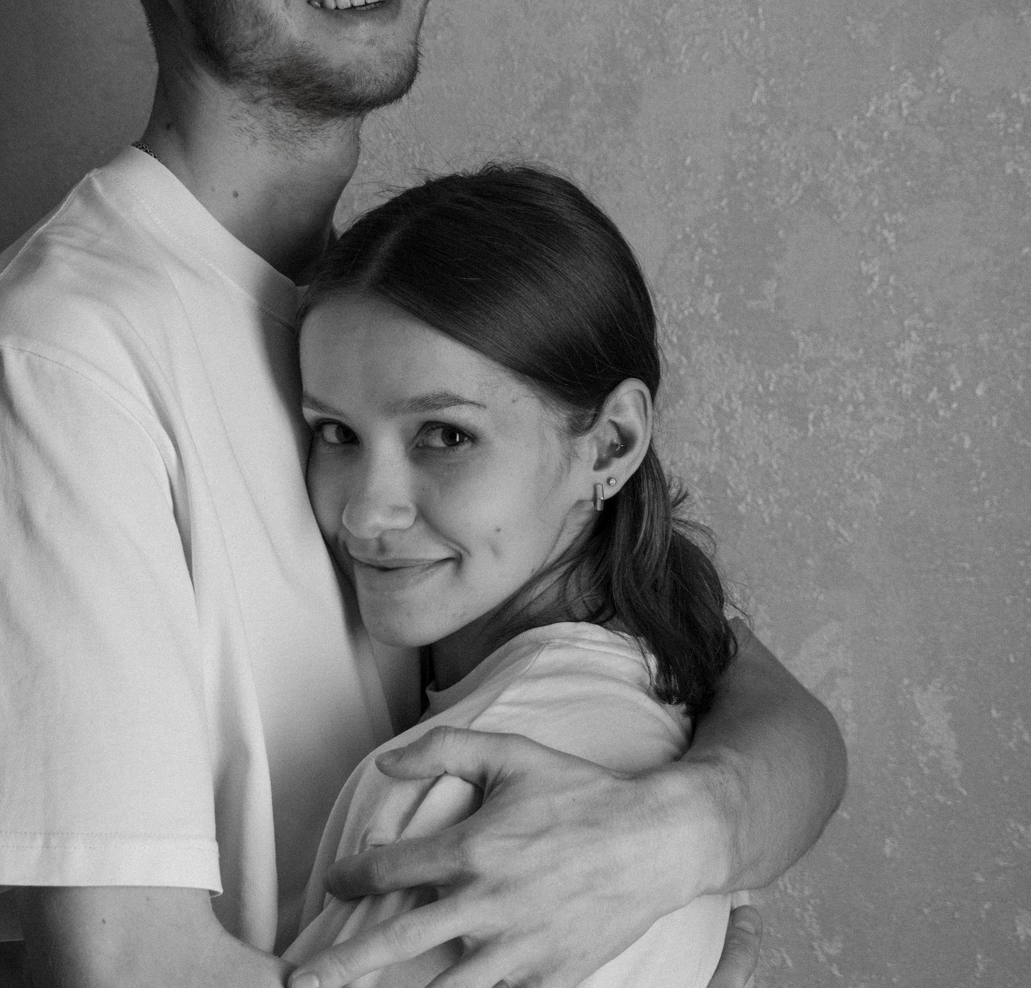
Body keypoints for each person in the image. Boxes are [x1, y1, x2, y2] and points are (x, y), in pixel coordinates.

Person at [0, 0, 848, 986]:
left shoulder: (390, 315)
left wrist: (671, 843)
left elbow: (770, 711)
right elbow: (118, 970)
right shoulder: (63, 357)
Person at [284, 164, 738, 988]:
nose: (365, 512)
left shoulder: (465, 791)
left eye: (446, 435)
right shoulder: (668, 689)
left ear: (610, 443)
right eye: (336, 433)